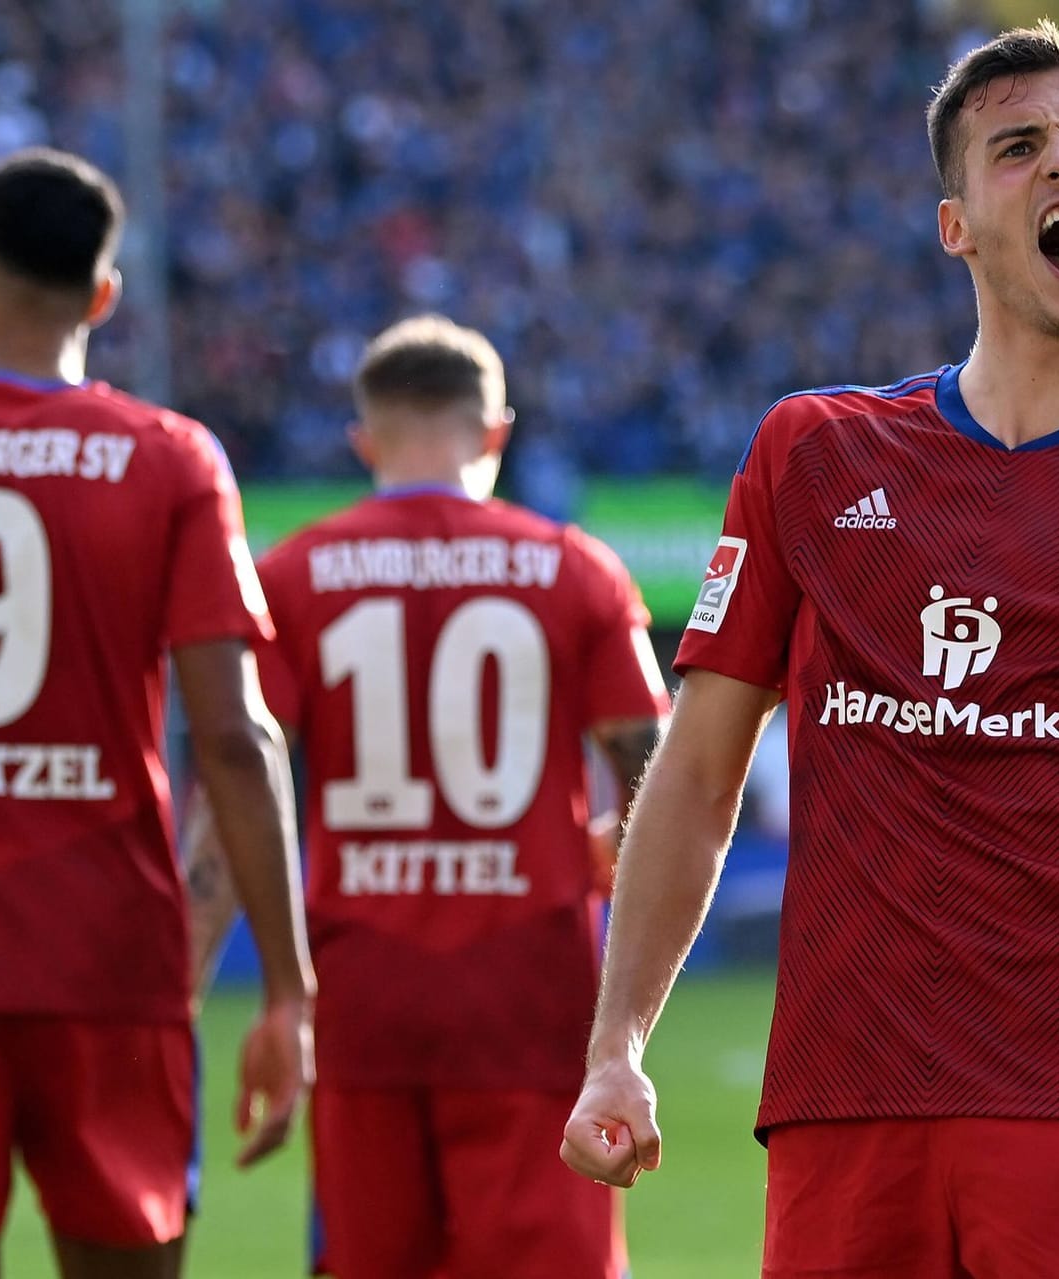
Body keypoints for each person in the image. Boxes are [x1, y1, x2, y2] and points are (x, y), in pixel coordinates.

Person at [561, 22, 1059, 1278]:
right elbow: (697, 775)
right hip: (850, 1110)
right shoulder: (814, 456)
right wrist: (619, 1042)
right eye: (1017, 149)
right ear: (958, 226)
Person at [0, 148, 315, 1279]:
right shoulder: (170, 463)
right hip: (106, 953)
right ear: (104, 296)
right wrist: (291, 990)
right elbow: (237, 741)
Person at [189, 315, 667, 1279]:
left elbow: (240, 775)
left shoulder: (294, 576)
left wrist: (185, 988)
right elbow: (656, 769)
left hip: (365, 996)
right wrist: (619, 842)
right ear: (496, 433)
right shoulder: (574, 569)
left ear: (364, 441)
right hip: (534, 995)